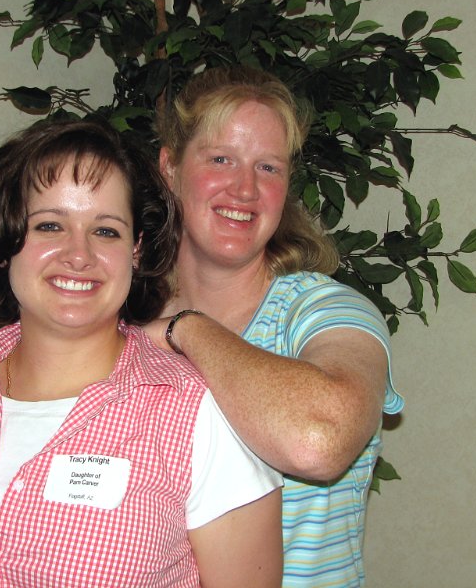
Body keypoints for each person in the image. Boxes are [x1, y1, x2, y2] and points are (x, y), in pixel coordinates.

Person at [0, 118, 284, 587]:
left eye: (106, 231)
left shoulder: (197, 414)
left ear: (136, 250)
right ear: (4, 242)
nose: (79, 255)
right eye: (50, 225)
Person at [143, 66, 405, 586]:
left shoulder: (329, 313)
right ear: (170, 168)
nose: (245, 188)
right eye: (221, 159)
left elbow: (318, 440)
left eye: (268, 167)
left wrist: (186, 330)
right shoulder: (128, 320)